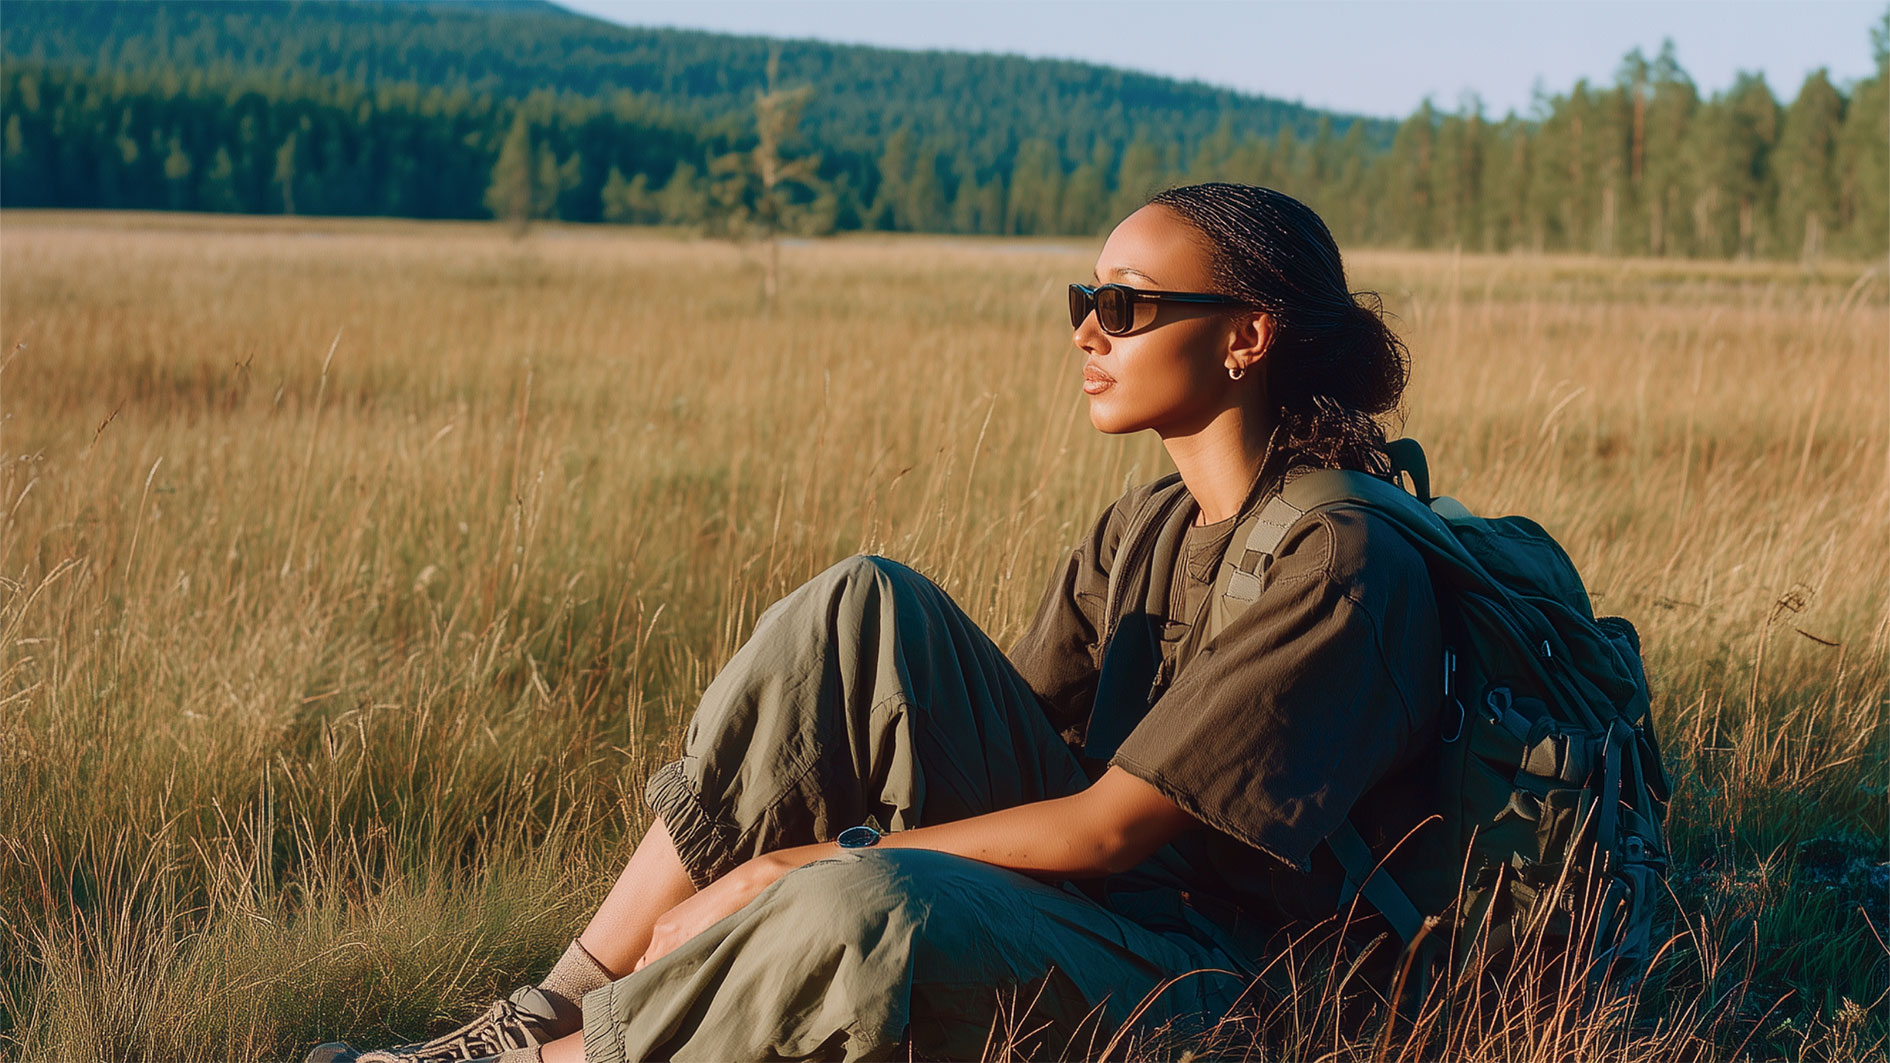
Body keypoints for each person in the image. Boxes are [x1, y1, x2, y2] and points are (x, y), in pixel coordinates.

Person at [309, 182, 1442, 1063]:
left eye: (1127, 306)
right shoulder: (1149, 523)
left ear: (1246, 337)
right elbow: (1019, 750)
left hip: (1235, 983)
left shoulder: (1338, 560)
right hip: (1126, 911)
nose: (1088, 333)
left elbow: (1100, 828)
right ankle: (550, 1002)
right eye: (1084, 301)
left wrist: (802, 863)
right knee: (862, 604)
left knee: (859, 901)